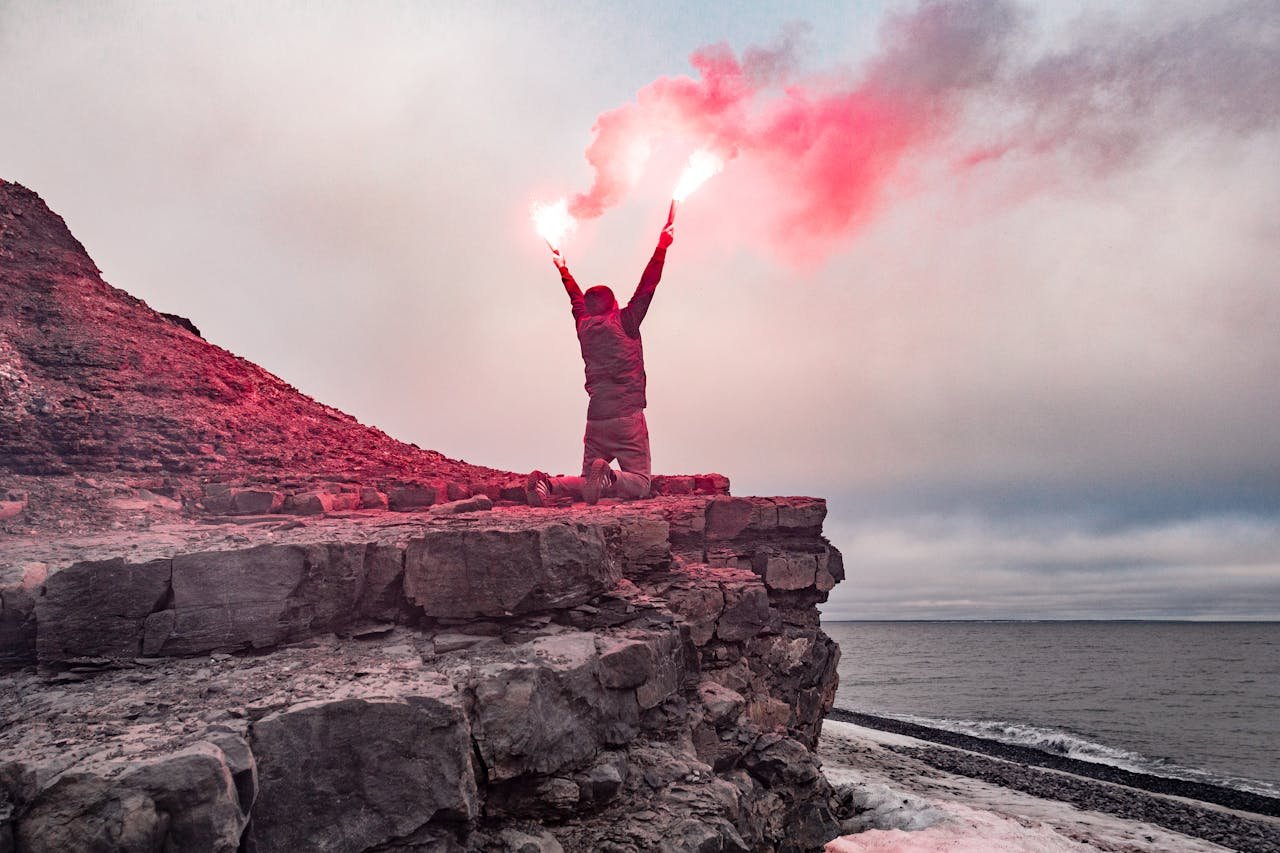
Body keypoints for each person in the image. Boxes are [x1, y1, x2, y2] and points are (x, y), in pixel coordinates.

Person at [526, 204, 676, 506]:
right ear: (612, 304)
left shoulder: (583, 324)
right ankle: (609, 476)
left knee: (585, 482)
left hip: (596, 417)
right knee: (641, 482)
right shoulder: (626, 320)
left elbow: (575, 297)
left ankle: (548, 486)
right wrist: (662, 246)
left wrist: (562, 268)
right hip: (627, 417)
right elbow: (648, 286)